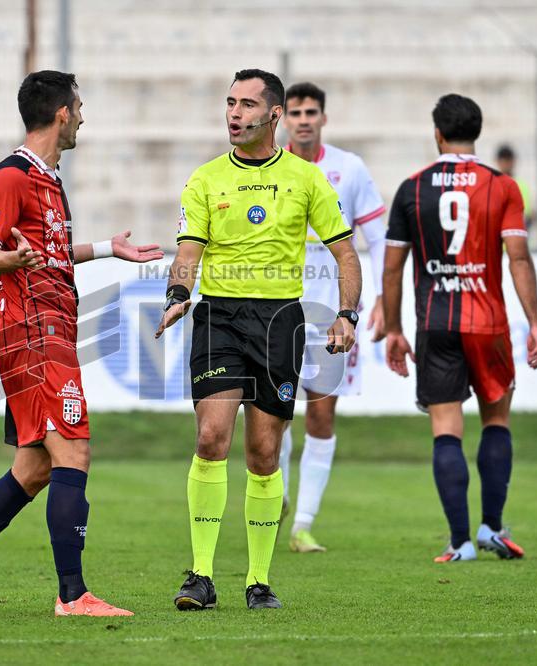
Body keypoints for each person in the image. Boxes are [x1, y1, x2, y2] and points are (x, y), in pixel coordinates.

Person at [0, 70, 163, 617]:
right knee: (73, 451)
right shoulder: (12, 176)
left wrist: (106, 249)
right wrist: (12, 258)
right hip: (32, 335)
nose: (83, 118)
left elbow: (49, 252)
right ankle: (73, 595)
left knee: (35, 469)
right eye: (80, 108)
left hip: (53, 331)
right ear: (62, 113)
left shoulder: (48, 179)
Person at [156, 69, 362, 609]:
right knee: (210, 438)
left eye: (247, 104)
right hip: (219, 317)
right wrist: (177, 294)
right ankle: (200, 576)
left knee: (265, 452)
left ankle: (258, 581)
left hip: (279, 323)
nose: (234, 113)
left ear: (274, 115)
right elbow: (187, 253)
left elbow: (345, 253)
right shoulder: (205, 178)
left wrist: (347, 314)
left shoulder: (306, 179)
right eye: (230, 102)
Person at [383, 93, 537, 563]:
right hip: (488, 322)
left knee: (445, 430)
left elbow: (392, 268)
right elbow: (518, 258)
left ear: (437, 133)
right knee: (496, 421)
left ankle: (460, 543)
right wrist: (535, 322)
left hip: (436, 322)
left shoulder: (412, 188)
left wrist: (393, 329)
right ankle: (492, 527)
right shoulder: (503, 187)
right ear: (477, 132)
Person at [278, 82, 387, 553]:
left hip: (332, 315)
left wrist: (382, 299)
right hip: (277, 312)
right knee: (274, 415)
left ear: (323, 118)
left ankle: (302, 525)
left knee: (321, 416)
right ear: (283, 119)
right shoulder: (267, 168)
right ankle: (277, 500)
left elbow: (378, 239)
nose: (304, 120)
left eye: (311, 112)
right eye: (296, 112)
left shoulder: (350, 169)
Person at [495, 144, 535, 227]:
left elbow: (527, 213)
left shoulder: (521, 185)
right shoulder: (493, 185)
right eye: (503, 160)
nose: (506, 163)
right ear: (498, 162)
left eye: (508, 160)